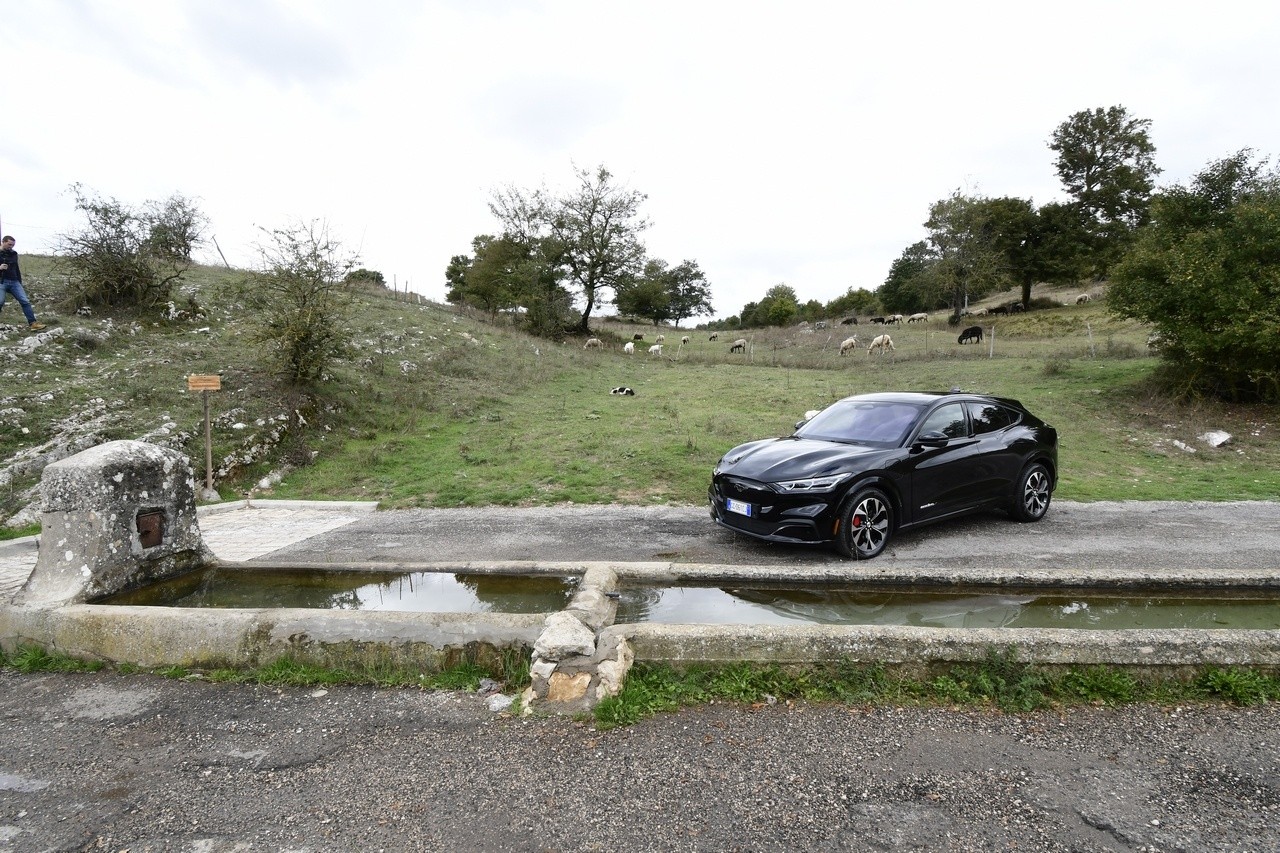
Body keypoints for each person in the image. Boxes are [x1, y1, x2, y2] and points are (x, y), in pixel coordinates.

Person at [0, 235, 47, 331]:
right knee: (0, 302)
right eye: (9, 244)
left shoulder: (14, 254)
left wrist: (19, 282)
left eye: (13, 245)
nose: (11, 247)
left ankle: (33, 324)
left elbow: (16, 268)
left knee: (25, 301)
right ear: (3, 242)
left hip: (14, 281)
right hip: (1, 281)